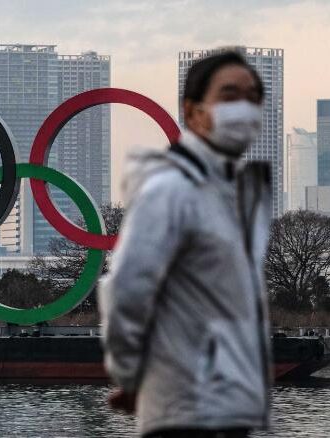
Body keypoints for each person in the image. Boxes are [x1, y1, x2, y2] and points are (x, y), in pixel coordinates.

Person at [99, 51, 272, 438]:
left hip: (229, 409)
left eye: (253, 97)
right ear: (192, 112)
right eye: (229, 96)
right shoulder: (170, 190)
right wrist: (133, 377)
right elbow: (126, 288)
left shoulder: (231, 197)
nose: (244, 109)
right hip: (186, 413)